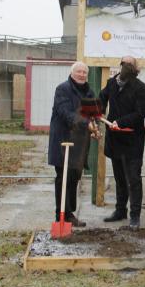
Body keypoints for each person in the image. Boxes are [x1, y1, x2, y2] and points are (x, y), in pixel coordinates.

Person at [99, 56, 145, 230]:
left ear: (136, 68)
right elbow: (102, 99)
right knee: (119, 179)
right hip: (115, 142)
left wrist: (120, 122)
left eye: (130, 64)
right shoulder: (112, 83)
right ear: (119, 65)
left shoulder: (142, 89)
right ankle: (120, 210)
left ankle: (134, 216)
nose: (126, 67)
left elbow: (140, 113)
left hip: (132, 142)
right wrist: (96, 113)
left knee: (133, 179)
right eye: (124, 64)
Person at [48, 61, 97, 228]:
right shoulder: (63, 89)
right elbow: (65, 113)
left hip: (80, 143)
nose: (82, 74)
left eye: (84, 72)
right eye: (79, 72)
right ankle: (60, 216)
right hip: (64, 141)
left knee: (74, 178)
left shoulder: (89, 92)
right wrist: (86, 124)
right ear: (72, 73)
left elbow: (92, 115)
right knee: (63, 178)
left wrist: (94, 128)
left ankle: (69, 214)